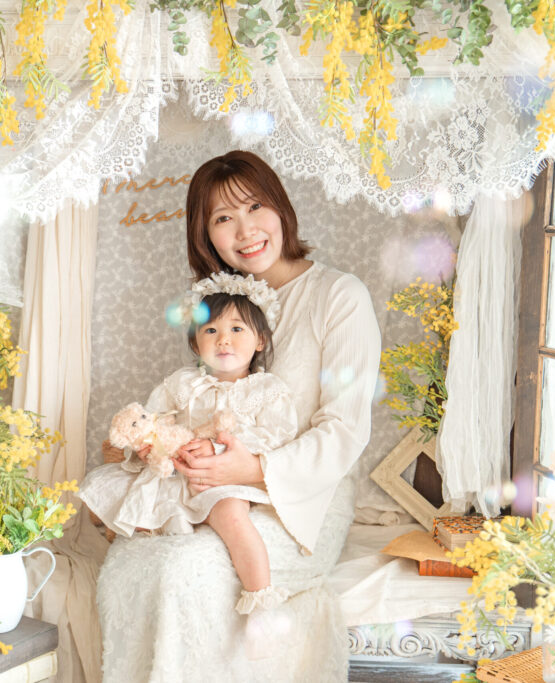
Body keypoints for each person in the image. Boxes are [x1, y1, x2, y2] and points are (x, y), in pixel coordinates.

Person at [96, 150, 382, 681]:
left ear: (281, 208)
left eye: (255, 207)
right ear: (205, 235)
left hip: (303, 498)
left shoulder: (339, 296)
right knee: (130, 563)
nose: (245, 230)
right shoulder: (220, 306)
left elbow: (344, 430)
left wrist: (251, 469)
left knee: (185, 569)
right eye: (224, 218)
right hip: (209, 489)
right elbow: (194, 404)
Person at [81, 276, 299, 658]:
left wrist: (221, 446)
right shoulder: (181, 383)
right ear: (196, 343)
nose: (224, 340)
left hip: (227, 476)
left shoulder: (266, 390)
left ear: (260, 341)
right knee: (110, 493)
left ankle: (261, 605)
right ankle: (144, 530)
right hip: (178, 472)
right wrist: (150, 445)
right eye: (210, 330)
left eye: (237, 329)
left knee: (232, 517)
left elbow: (277, 436)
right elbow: (153, 421)